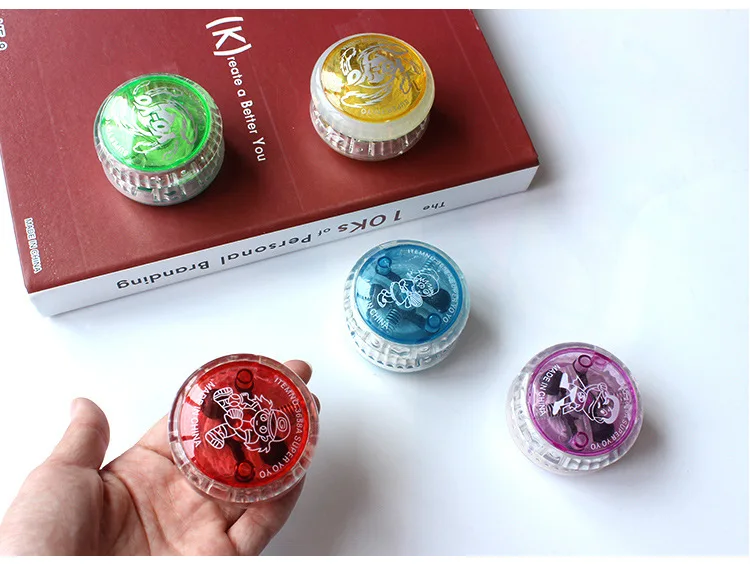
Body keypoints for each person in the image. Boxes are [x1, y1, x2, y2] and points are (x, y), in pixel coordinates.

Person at [0, 360, 318, 556]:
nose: (252, 424)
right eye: (259, 421)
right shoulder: (232, 417)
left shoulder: (246, 437)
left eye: (261, 430)